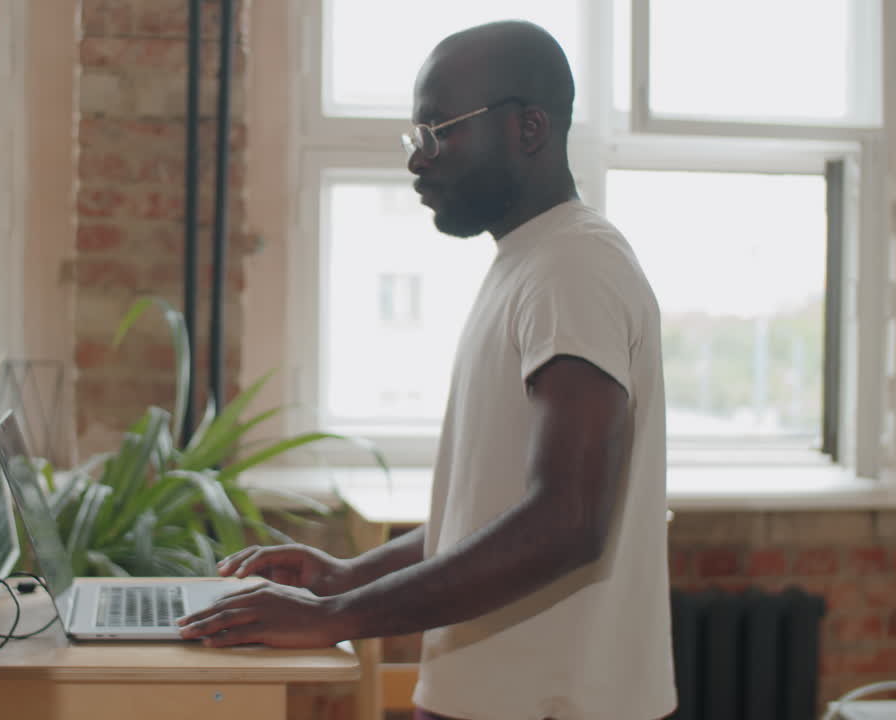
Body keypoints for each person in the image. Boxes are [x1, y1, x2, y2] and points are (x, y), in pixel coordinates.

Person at [178, 19, 675, 720]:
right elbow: (493, 513)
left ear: (528, 128)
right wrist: (344, 578)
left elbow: (567, 521)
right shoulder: (532, 261)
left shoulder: (575, 266)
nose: (418, 160)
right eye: (418, 135)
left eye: (439, 132)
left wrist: (338, 615)